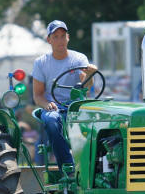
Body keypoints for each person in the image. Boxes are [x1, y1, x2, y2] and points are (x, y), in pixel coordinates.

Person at [32, 20, 97, 172]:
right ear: (49, 40)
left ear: (68, 37)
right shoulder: (41, 63)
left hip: (76, 106)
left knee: (100, 119)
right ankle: (68, 167)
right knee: (52, 121)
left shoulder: (79, 59)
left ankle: (95, 166)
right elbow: (38, 95)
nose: (60, 40)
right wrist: (46, 104)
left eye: (63, 36)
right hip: (54, 107)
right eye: (55, 37)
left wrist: (90, 75)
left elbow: (86, 87)